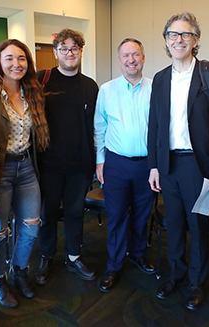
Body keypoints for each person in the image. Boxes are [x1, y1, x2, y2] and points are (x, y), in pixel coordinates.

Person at [148, 12, 209, 310]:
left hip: (200, 167)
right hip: (168, 164)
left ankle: (197, 282)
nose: (179, 40)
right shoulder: (159, 79)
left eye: (186, 34)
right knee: (173, 223)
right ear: (166, 40)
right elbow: (154, 126)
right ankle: (177, 273)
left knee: (198, 225)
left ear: (195, 40)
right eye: (173, 34)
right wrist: (154, 166)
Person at [0, 39, 49, 308]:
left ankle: (19, 271)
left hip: (27, 168)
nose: (16, 64)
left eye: (22, 59)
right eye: (9, 58)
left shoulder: (33, 92)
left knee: (31, 225)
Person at [35, 28, 99, 285]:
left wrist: (95, 163)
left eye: (74, 48)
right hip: (48, 164)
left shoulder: (90, 86)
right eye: (64, 49)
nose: (70, 53)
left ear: (81, 51)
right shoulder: (42, 79)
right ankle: (46, 256)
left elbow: (96, 126)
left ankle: (73, 256)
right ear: (56, 52)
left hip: (79, 165)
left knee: (75, 213)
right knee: (47, 213)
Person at [94, 38, 155, 292]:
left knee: (142, 213)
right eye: (126, 55)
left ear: (143, 58)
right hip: (116, 163)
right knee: (117, 215)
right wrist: (100, 160)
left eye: (136, 55)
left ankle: (138, 253)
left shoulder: (156, 88)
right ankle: (115, 264)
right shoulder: (106, 90)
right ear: (119, 60)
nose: (131, 60)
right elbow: (100, 127)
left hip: (148, 165)